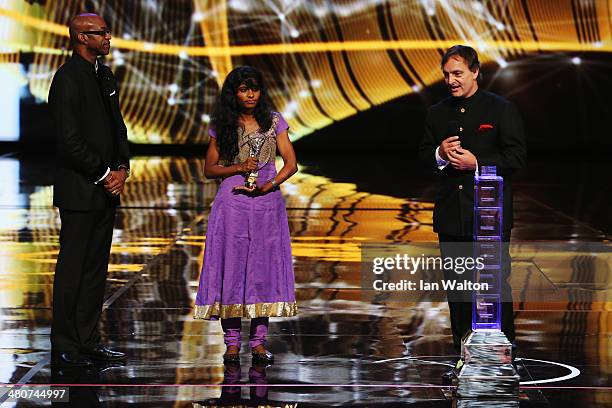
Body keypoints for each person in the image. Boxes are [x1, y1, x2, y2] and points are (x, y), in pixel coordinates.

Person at [418, 45, 526, 381]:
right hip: (452, 215)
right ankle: (462, 355)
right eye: (447, 74)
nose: (451, 80)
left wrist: (477, 163)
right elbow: (423, 157)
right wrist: (439, 153)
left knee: (494, 285)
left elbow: (517, 157)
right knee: (458, 289)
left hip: (489, 214)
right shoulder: (436, 112)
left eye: (458, 73)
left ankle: (504, 357)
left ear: (476, 72)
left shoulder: (500, 109)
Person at [193, 66, 298, 364]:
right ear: (233, 93)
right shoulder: (223, 124)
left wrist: (269, 184)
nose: (250, 94)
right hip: (232, 204)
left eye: (254, 88)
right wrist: (239, 168)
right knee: (232, 268)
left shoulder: (274, 121)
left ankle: (258, 343)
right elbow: (209, 169)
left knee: (263, 270)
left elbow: (291, 163)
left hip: (267, 204)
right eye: (243, 89)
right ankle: (232, 345)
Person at [49, 13, 129, 367]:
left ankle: (88, 339)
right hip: (80, 190)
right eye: (102, 33)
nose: (108, 38)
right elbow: (69, 140)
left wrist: (123, 168)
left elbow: (118, 128)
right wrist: (103, 172)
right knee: (73, 269)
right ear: (82, 37)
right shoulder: (67, 78)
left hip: (106, 190)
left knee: (96, 268)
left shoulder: (105, 75)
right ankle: (65, 343)